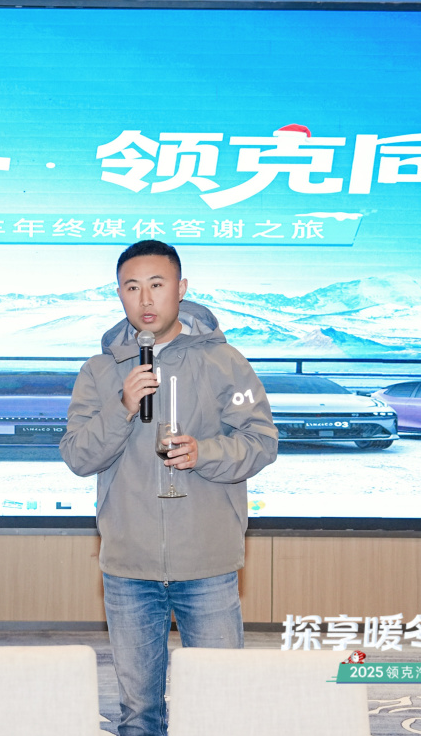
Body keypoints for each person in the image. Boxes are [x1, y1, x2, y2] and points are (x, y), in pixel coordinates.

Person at [60, 240, 278, 736]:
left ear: (181, 289)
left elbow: (262, 442)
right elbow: (77, 456)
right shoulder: (100, 370)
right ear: (119, 294)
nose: (145, 299)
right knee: (139, 715)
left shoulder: (226, 362)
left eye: (157, 285)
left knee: (221, 708)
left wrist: (206, 452)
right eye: (132, 288)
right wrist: (121, 407)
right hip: (128, 566)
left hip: (208, 563)